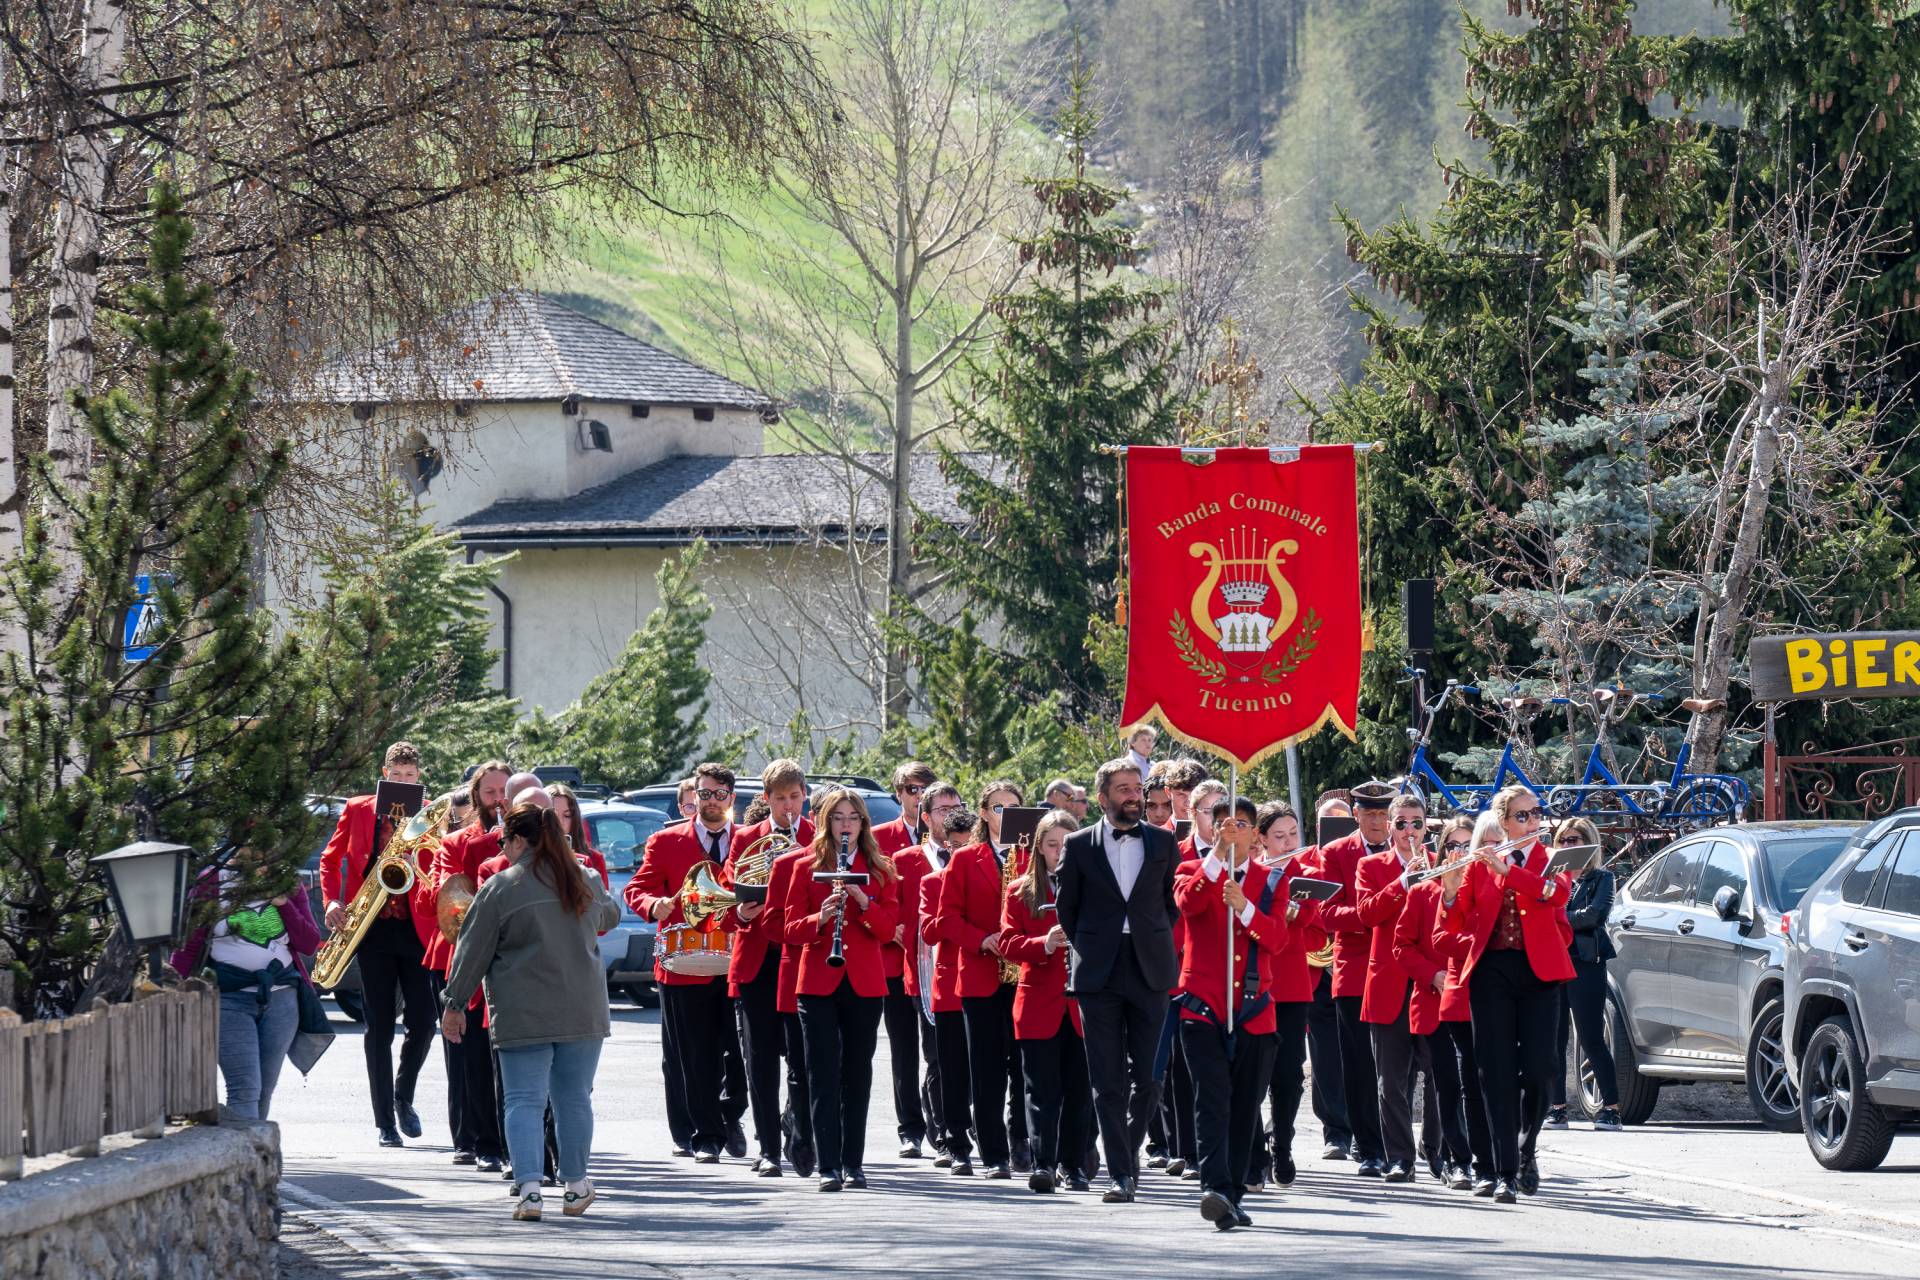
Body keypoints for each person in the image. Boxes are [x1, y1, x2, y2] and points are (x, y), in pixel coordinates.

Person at [442, 803, 619, 1221]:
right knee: (574, 1099)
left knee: (523, 1100)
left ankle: (530, 1192)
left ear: (520, 841)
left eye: (504, 841)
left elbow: (472, 951)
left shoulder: (501, 886)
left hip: (522, 1009)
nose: (502, 849)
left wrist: (454, 1003)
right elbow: (610, 915)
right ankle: (576, 1187)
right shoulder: (585, 877)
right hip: (583, 1008)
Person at [1438, 788, 1575, 1203]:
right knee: (1494, 1072)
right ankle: (1504, 1172)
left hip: (1539, 974)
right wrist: (1449, 890)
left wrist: (1509, 871)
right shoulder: (1480, 863)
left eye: (1536, 813)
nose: (1533, 822)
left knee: (1540, 1070)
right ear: (1504, 821)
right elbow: (1455, 920)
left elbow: (1557, 894)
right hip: (1491, 973)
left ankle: (1526, 1145)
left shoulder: (1552, 858)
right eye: (1522, 816)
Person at [1055, 757, 1180, 1205]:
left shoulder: (1164, 841)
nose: (1133, 795)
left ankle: (1125, 1148)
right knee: (1107, 1082)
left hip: (1150, 968)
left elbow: (1170, 903)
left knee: (1149, 1077)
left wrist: (1150, 937)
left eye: (1137, 787)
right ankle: (1121, 1174)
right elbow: (1067, 909)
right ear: (1102, 797)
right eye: (1123, 788)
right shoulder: (1078, 844)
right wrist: (1094, 946)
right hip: (1098, 972)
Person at [625, 762, 748, 1163]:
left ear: (731, 798)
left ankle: (730, 1114)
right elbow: (637, 888)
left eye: (720, 795)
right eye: (705, 794)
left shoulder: (748, 840)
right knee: (693, 1054)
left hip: (736, 959)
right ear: (694, 795)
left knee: (741, 1053)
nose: (711, 801)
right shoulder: (666, 841)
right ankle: (705, 1134)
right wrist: (653, 904)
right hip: (683, 962)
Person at [318, 741, 438, 1148]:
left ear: (418, 778)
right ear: (385, 774)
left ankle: (403, 1096)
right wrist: (332, 901)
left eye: (410, 776)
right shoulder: (358, 809)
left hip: (416, 930)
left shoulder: (428, 814)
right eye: (396, 775)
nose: (403, 780)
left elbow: (440, 867)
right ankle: (385, 1120)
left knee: (424, 1022)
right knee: (379, 1027)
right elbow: (330, 859)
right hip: (371, 928)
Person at [1174, 795, 1287, 1230]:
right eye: (1223, 824)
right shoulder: (1192, 870)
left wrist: (1245, 907)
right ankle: (1215, 1187)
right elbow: (1188, 905)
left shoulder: (1271, 881)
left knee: (1244, 1107)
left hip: (1253, 1010)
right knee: (1212, 1101)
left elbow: (1276, 939)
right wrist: (1218, 856)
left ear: (1255, 834)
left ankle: (1233, 1194)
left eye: (1240, 824)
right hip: (1203, 1007)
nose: (1231, 830)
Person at [782, 788, 901, 1191]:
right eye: (838, 817)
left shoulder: (881, 869)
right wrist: (820, 917)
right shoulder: (805, 866)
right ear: (826, 822)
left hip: (864, 983)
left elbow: (888, 930)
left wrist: (864, 903)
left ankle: (854, 1163)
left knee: (857, 1074)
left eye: (853, 817)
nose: (846, 824)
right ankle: (828, 1165)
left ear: (863, 823)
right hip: (817, 982)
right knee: (822, 1074)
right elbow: (789, 930)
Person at [174, 847, 323, 1122]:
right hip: (230, 1000)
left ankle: (254, 1148)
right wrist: (173, 988)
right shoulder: (212, 881)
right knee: (244, 1090)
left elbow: (308, 943)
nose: (257, 850)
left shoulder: (286, 881)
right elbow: (189, 946)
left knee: (264, 1091)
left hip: (282, 1000)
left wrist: (283, 903)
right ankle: (247, 1148)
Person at [720, 760, 816, 1176]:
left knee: (803, 1057)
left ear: (804, 796)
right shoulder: (745, 838)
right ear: (766, 799)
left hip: (800, 959)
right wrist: (740, 911)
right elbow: (726, 899)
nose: (788, 807)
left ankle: (800, 1130)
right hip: (758, 961)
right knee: (759, 1061)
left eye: (794, 797)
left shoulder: (817, 836)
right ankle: (769, 1149)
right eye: (780, 799)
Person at [936, 779, 1029, 1179]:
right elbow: (946, 918)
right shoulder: (964, 859)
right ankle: (994, 1154)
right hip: (981, 974)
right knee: (986, 1068)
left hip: (1026, 973)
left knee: (1025, 1064)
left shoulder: (1034, 857)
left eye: (1014, 807)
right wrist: (982, 939)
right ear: (984, 813)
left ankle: (1023, 1138)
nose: (1005, 816)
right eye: (998, 808)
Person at [1000, 808, 1091, 1194]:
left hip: (1082, 1004)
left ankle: (1073, 1165)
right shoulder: (1021, 890)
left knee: (1079, 1091)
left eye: (1066, 845)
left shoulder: (1093, 886)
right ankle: (1043, 1164)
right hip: (1038, 1004)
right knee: (1040, 1091)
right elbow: (1007, 943)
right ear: (1039, 848)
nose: (1059, 852)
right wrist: (1045, 943)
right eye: (1052, 845)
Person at [428, 760, 512, 1172]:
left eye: (504, 792)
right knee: (468, 1055)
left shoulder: (532, 837)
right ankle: (474, 1138)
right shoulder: (458, 842)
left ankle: (504, 1139)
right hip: (460, 952)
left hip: (513, 955)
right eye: (490, 792)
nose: (498, 800)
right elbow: (445, 897)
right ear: (476, 796)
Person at [1392, 812, 1482, 1190]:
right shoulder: (1422, 891)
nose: (1459, 852)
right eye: (1453, 845)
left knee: (1477, 1083)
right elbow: (1402, 946)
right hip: (1434, 1000)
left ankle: (1482, 1156)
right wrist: (1433, 975)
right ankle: (1454, 1158)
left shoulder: (1486, 888)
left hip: (1481, 1000)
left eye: (1467, 845)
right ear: (1442, 851)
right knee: (1446, 1081)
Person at [1352, 790, 1435, 1183]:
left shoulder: (1441, 862)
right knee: (1391, 1081)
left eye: (1416, 823)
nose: (1408, 831)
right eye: (1401, 823)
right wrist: (1403, 881)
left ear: (1426, 826)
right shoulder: (1371, 866)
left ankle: (1437, 1150)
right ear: (1389, 827)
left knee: (1438, 1075)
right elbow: (1366, 915)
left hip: (1429, 981)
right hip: (1388, 982)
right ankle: (1400, 1157)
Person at [1314, 778, 1394, 1176]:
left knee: (1400, 1066)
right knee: (1360, 1063)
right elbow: (1326, 914)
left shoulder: (1408, 850)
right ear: (1356, 816)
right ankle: (1369, 1147)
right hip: (1356, 970)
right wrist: (1370, 914)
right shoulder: (1335, 853)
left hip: (1399, 968)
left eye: (1383, 814)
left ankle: (1402, 1145)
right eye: (1370, 814)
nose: (1377, 821)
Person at [1247, 801, 1324, 1191]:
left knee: (1289, 1074)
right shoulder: (1250, 874)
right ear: (1261, 838)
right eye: (1279, 836)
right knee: (1251, 1073)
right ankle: (1252, 1152)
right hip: (1254, 982)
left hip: (1292, 985)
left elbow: (1313, 922)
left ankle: (1283, 1143)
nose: (1289, 843)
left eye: (1293, 834)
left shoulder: (1307, 875)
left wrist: (1295, 912)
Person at [870, 761, 934, 1159]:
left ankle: (942, 1120)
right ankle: (910, 1128)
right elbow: (870, 890)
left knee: (939, 1048)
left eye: (925, 789)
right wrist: (888, 927)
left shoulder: (947, 836)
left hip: (934, 960)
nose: (919, 796)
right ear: (898, 794)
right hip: (894, 958)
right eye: (912, 789)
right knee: (904, 1048)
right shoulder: (879, 838)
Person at [1546, 817, 1621, 1131]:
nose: (1567, 845)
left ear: (1588, 842)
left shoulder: (1602, 878)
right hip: (1553, 961)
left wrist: (1556, 917)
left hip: (1586, 962)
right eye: (1562, 840)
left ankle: (1611, 1109)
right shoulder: (1551, 878)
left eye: (1574, 839)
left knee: (1590, 1037)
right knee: (1553, 1038)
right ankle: (1557, 1108)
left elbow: (1594, 915)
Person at [920, 793, 977, 1173]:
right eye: (954, 847)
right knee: (948, 1067)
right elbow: (929, 930)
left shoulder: (992, 874)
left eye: (968, 847)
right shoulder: (933, 881)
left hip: (985, 982)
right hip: (949, 983)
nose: (960, 854)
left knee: (985, 1067)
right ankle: (951, 1138)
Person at [1303, 795, 1353, 1160]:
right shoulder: (1305, 860)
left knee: (1362, 1053)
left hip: (1352, 968)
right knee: (1324, 1055)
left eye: (1342, 821)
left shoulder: (1360, 858)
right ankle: (1335, 1132)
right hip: (1316, 970)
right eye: (1328, 821)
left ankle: (1367, 1129)